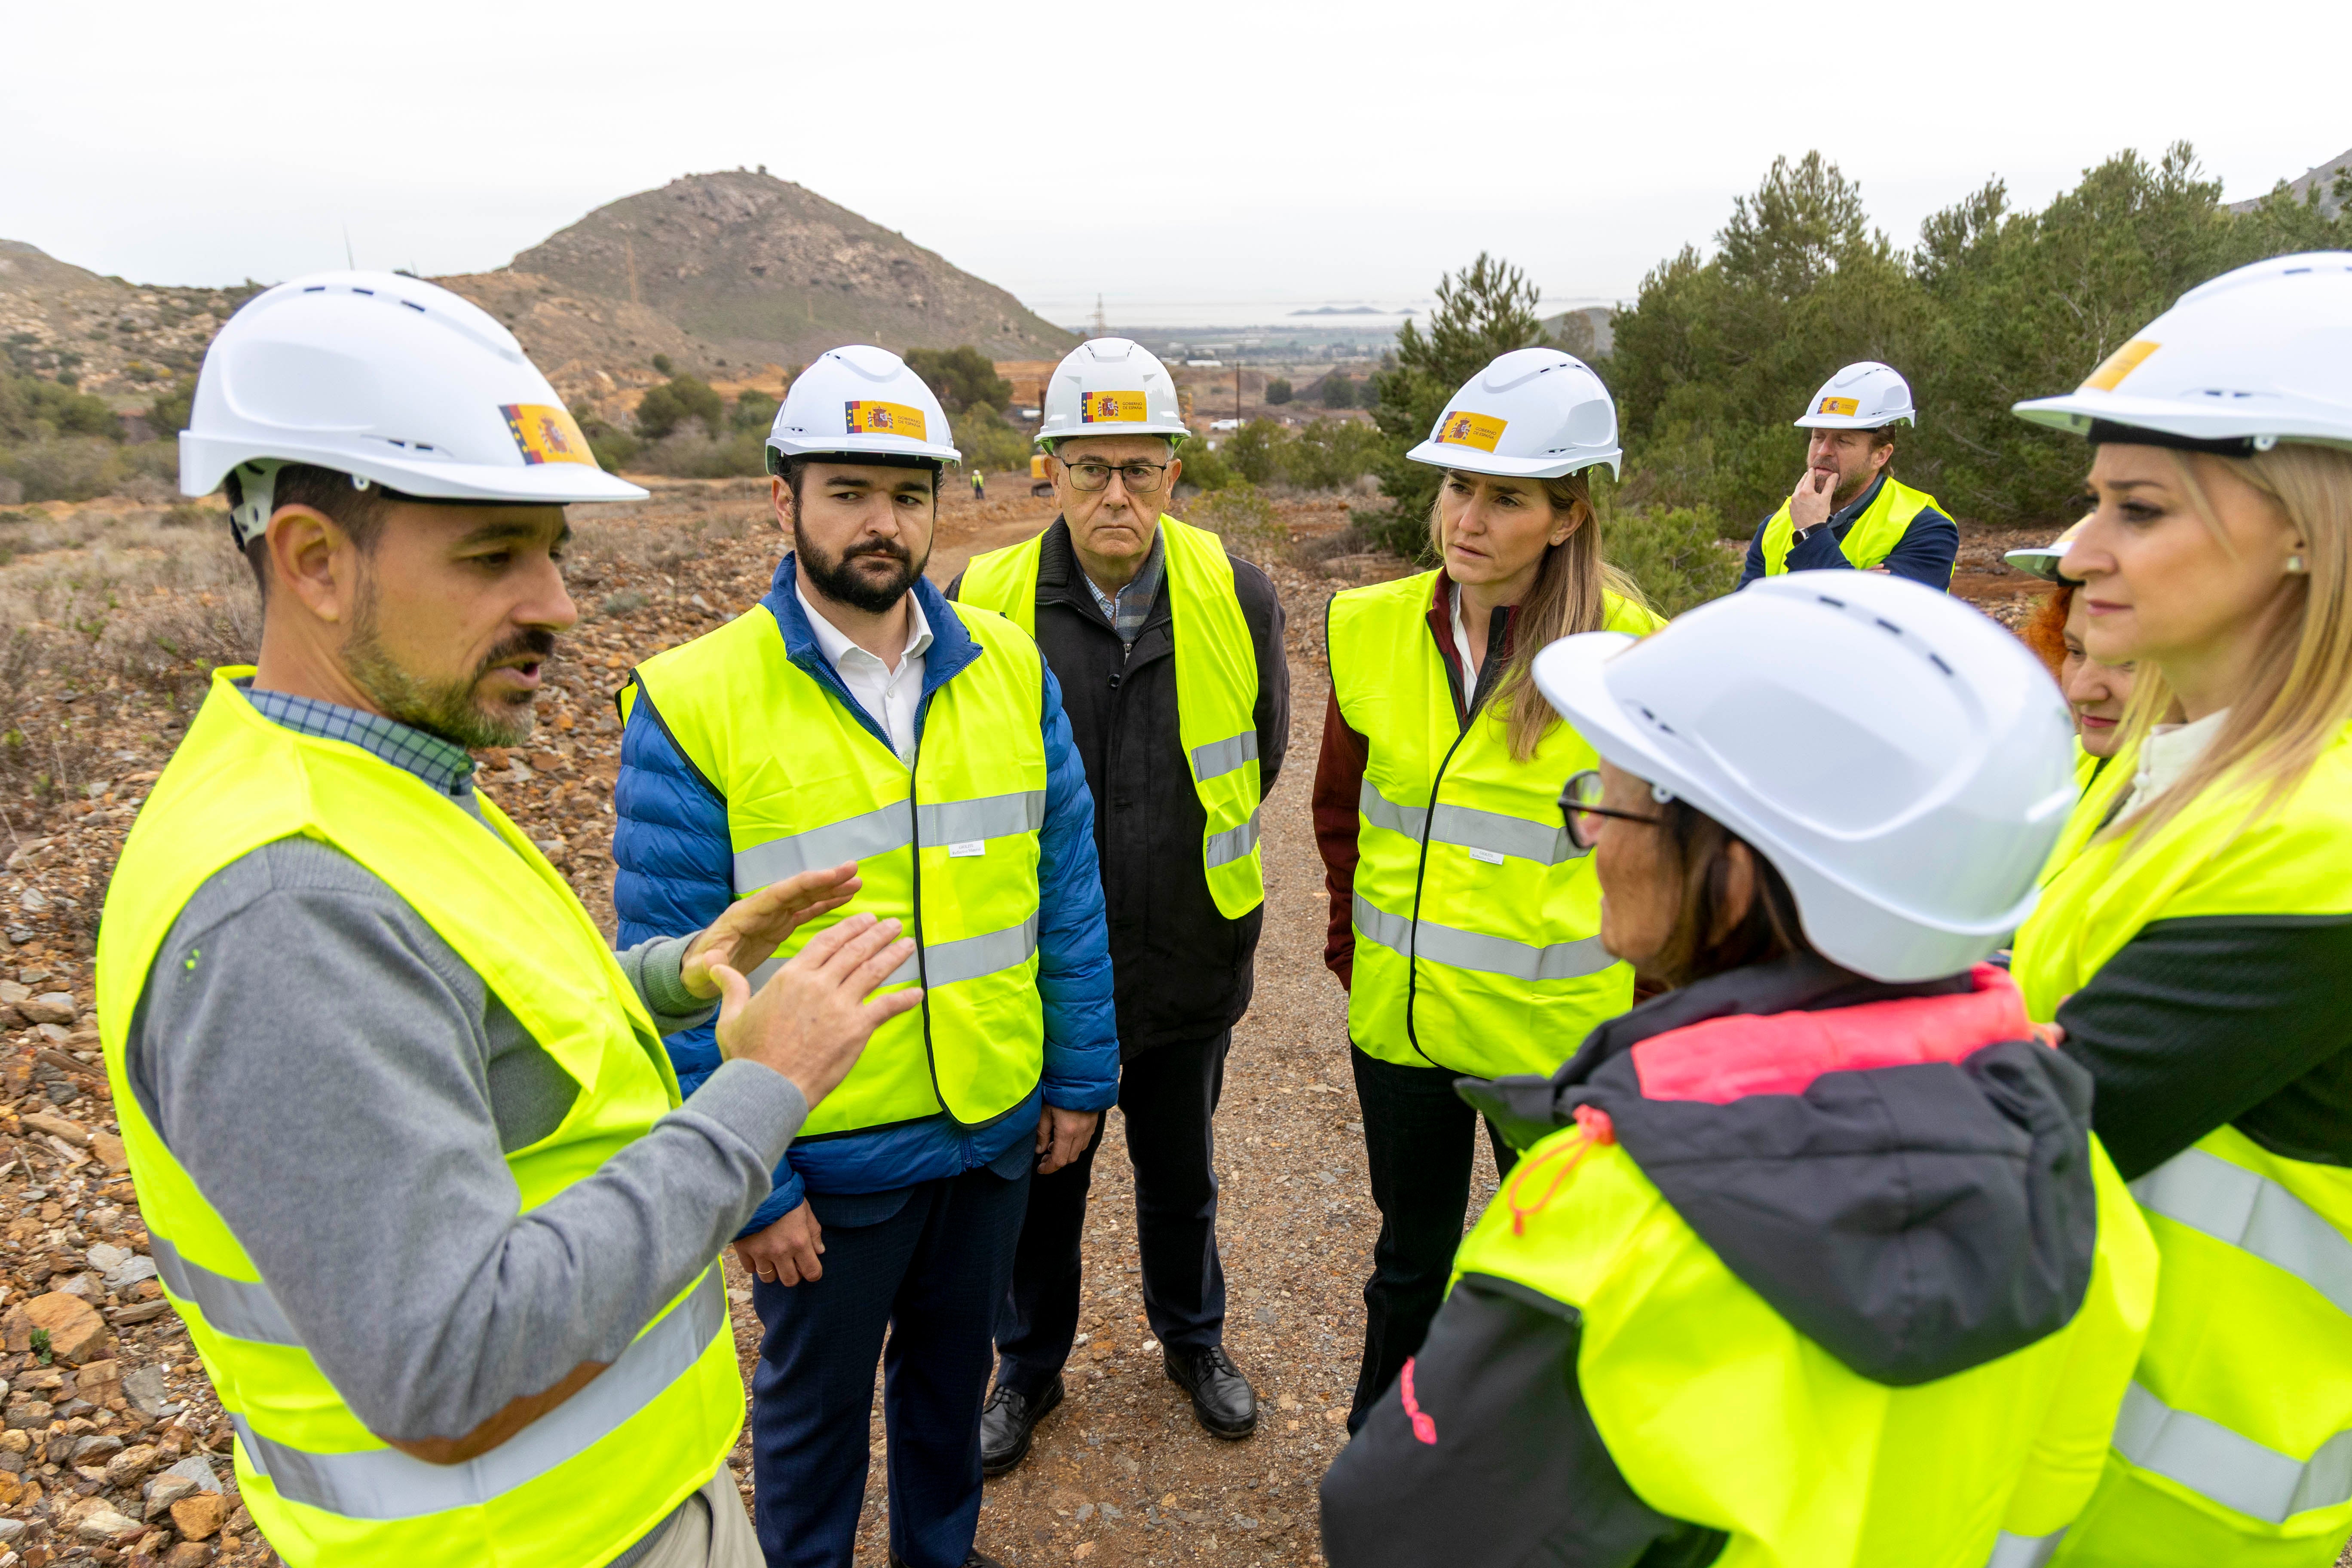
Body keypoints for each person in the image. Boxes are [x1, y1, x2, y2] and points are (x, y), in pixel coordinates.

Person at [97, 273, 922, 1568]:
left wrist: (664, 975)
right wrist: (758, 1095)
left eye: (553, 549)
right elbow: (449, 1364)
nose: (557, 603)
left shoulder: (375, 777)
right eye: (494, 555)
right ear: (314, 561)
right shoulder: (281, 902)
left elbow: (457, 1030)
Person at [1320, 570, 2158, 1568]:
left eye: (1611, 808)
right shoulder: (2083, 1192)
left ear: (1731, 873)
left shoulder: (1614, 1222)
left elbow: (1394, 1533)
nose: (1588, 839)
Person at [612, 345, 1119, 1568]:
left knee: (950, 1400)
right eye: (848, 490)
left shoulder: (1008, 668)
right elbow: (674, 969)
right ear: (781, 499)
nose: (882, 523)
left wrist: (1079, 1080)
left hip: (990, 1125)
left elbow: (1065, 890)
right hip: (825, 1162)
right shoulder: (696, 698)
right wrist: (755, 1185)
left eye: (907, 493)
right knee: (814, 1423)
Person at [2006, 252, 2352, 1565]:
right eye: (2094, 502)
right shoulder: (2169, 758)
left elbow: (2033, 1123)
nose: (2080, 552)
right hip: (2076, 1440)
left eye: (2139, 510)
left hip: (2200, 1498)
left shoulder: (2324, 834)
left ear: (2311, 524)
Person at [951, 337, 1290, 1468]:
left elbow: (1262, 754)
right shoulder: (986, 597)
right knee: (1042, 1184)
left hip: (1191, 955)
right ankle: (1028, 1371)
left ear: (1175, 474)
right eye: (1090, 467)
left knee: (1181, 1174)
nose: (1116, 494)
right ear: (1047, 467)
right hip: (1043, 967)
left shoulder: (1233, 590)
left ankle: (1194, 1343)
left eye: (1139, 469)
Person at [1312, 347, 1663, 1432]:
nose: (1465, 517)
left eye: (1504, 497)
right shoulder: (1367, 625)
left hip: (1553, 1045)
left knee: (1553, 1275)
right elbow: (1337, 813)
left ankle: (1529, 1482)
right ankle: (1383, 1457)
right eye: (1456, 485)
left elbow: (1665, 864)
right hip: (1401, 1029)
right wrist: (1352, 948)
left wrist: (1642, 1032)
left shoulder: (1629, 658)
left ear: (1564, 516)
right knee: (1407, 1261)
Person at [1737, 361, 1958, 590]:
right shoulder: (1774, 526)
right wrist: (1856, 587)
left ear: (1881, 455)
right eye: (1818, 437)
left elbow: (1881, 620)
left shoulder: (1927, 529)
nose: (1823, 452)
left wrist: (1812, 533)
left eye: (1842, 441)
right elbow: (1744, 618)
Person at [2012, 518, 2137, 784]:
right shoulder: (2064, 763)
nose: (2078, 692)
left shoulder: (2236, 817)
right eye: (2076, 652)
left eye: (2128, 660)